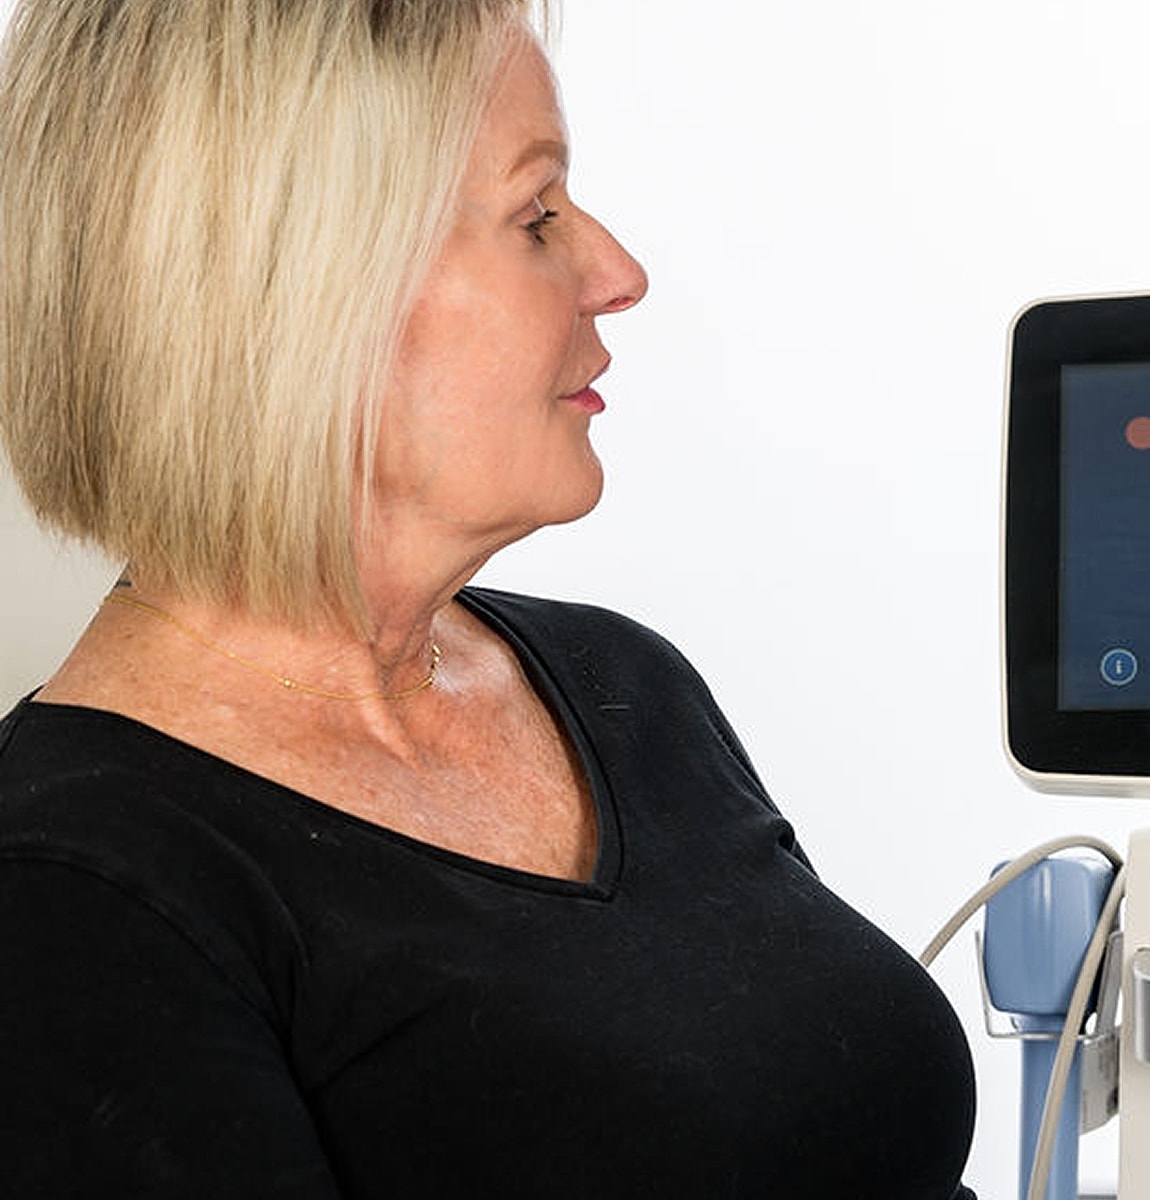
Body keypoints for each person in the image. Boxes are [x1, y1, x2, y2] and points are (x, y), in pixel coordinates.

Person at [0, 2, 976, 1195]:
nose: (618, 274)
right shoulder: (70, 895)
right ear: (295, 294)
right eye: (537, 214)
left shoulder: (622, 688)